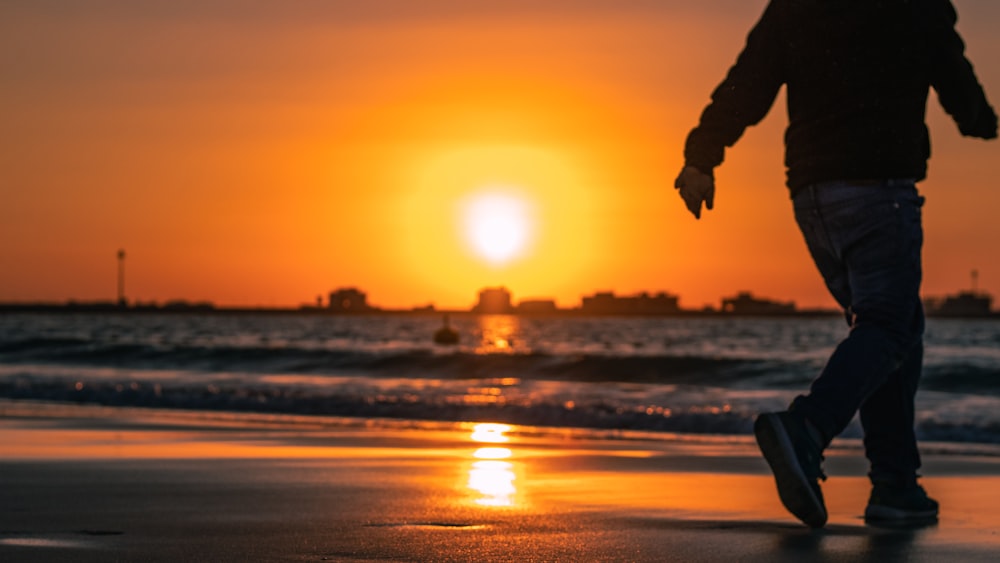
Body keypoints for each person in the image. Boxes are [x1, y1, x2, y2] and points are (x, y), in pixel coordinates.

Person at [675, 0, 996, 528]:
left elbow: (747, 84)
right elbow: (959, 88)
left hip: (812, 198)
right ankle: (807, 429)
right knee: (889, 326)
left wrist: (701, 156)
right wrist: (983, 121)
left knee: (893, 330)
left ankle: (895, 485)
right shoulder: (917, 9)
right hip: (878, 192)